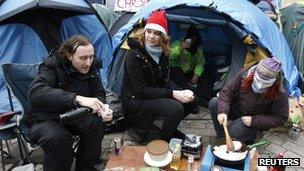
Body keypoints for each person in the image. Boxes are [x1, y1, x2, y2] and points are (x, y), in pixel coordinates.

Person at [26, 35, 113, 171]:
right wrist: (77, 98)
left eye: (91, 57)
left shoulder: (91, 67)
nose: (88, 62)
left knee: (96, 123)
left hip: (72, 116)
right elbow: (36, 93)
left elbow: (99, 93)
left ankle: (86, 167)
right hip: (44, 118)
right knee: (59, 138)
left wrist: (102, 108)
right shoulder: (51, 67)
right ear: (69, 55)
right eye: (83, 58)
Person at [121, 10, 198, 142]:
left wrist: (182, 91)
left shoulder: (162, 52)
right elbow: (141, 90)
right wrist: (173, 93)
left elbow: (165, 80)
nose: (151, 36)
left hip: (152, 94)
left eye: (157, 33)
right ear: (143, 32)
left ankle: (169, 128)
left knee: (193, 100)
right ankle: (162, 142)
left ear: (163, 37)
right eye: (149, 31)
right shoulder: (133, 55)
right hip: (136, 100)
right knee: (176, 109)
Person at [209, 58, 288, 144]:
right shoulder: (245, 74)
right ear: (255, 72)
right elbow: (227, 91)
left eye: (266, 82)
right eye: (259, 79)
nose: (260, 84)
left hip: (254, 121)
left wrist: (253, 121)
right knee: (215, 103)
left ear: (274, 80)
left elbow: (280, 118)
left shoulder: (280, 92)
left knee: (233, 131)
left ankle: (253, 136)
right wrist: (222, 112)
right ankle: (222, 138)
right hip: (239, 110)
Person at [169, 25, 205, 92]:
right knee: (181, 81)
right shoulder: (179, 43)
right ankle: (186, 91)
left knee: (204, 76)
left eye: (194, 36)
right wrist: (180, 47)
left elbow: (200, 62)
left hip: (189, 70)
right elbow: (171, 55)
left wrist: (197, 74)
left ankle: (201, 94)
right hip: (177, 68)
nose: (192, 38)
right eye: (190, 36)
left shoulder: (199, 47)